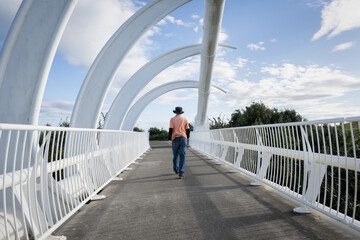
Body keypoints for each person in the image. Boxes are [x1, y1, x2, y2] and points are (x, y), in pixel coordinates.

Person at [168, 106, 190, 179]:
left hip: (175, 138)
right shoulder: (185, 119)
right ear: (181, 112)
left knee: (175, 155)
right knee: (182, 155)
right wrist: (188, 138)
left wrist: (169, 140)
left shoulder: (172, 119)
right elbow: (188, 130)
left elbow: (170, 130)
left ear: (175, 112)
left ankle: (175, 169)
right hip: (183, 138)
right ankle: (181, 173)